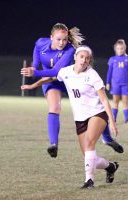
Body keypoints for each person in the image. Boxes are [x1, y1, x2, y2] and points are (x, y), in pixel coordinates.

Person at [22, 46, 120, 188]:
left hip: (97, 113)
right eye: (81, 57)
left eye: (87, 58)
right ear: (75, 57)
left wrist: (112, 122)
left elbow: (104, 100)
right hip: (80, 118)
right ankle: (110, 167)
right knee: (88, 155)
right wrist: (33, 86)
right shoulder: (65, 72)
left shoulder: (92, 75)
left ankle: (89, 181)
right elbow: (49, 78)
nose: (84, 60)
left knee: (90, 143)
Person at [21, 23, 123, 157]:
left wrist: (35, 73)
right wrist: (34, 66)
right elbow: (37, 50)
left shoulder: (69, 50)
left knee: (95, 109)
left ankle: (108, 139)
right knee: (54, 107)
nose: (62, 42)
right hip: (52, 81)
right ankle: (53, 145)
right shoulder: (41, 43)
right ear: (51, 37)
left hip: (70, 80)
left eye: (64, 39)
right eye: (58, 39)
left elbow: (55, 71)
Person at [106, 39, 128, 124]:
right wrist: (107, 82)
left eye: (122, 48)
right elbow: (109, 72)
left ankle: (127, 120)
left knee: (125, 102)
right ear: (115, 49)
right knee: (115, 102)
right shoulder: (112, 59)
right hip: (115, 84)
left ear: (124, 49)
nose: (120, 50)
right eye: (118, 48)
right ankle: (113, 120)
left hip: (125, 84)